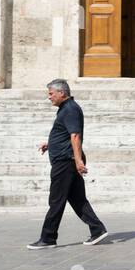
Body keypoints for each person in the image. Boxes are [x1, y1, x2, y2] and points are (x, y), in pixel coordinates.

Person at [27, 79, 108, 250]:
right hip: (67, 160)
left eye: (51, 93)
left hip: (66, 163)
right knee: (78, 199)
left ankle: (48, 237)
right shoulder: (66, 109)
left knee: (56, 201)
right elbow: (66, 134)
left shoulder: (70, 109)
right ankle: (97, 229)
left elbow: (75, 136)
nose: (49, 97)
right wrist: (50, 144)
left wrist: (78, 161)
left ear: (61, 93)